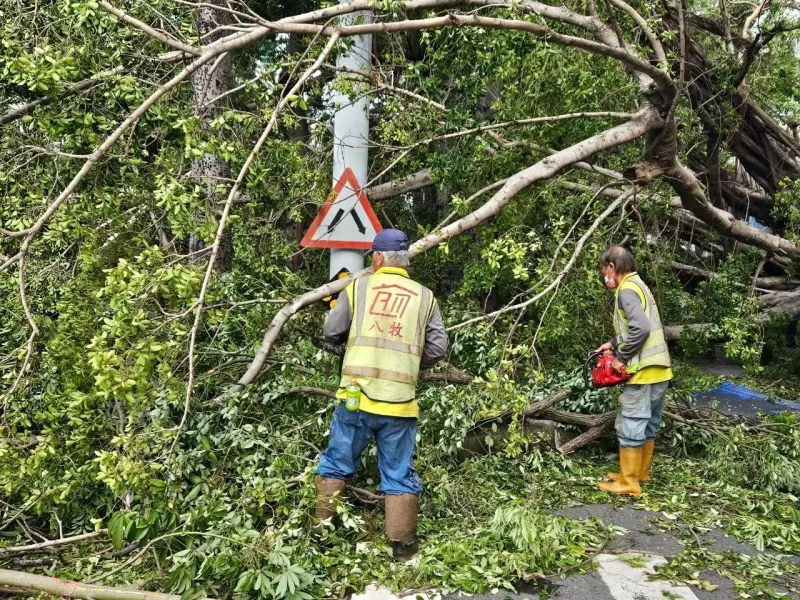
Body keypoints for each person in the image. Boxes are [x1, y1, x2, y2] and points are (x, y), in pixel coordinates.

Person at [314, 229, 448, 559]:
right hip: (399, 402)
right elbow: (438, 347)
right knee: (399, 471)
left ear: (377, 258)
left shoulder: (358, 287)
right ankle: (402, 545)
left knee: (336, 463)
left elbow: (331, 331)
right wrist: (413, 359)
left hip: (356, 397)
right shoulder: (425, 297)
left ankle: (321, 537)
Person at [595, 246, 672, 497]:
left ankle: (629, 483)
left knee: (631, 423)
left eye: (603, 272)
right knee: (648, 424)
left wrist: (620, 357)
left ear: (611, 267)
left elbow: (641, 329)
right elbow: (636, 326)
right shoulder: (639, 285)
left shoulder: (625, 290)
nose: (604, 278)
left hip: (643, 372)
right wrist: (614, 342)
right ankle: (639, 473)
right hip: (660, 371)